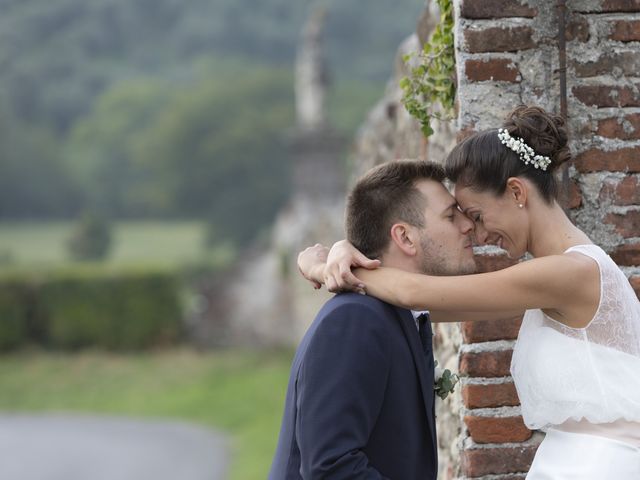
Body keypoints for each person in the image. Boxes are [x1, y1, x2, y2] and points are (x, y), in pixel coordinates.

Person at [298, 106, 640, 479]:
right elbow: (422, 305)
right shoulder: (552, 279)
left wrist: (330, 265)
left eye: (476, 215)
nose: (476, 233)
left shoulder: (571, 272)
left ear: (516, 192)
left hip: (605, 465)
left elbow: (415, 293)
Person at [269, 160, 478, 479]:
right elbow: (331, 467)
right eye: (451, 215)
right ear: (405, 237)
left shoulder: (396, 314)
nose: (468, 225)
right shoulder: (355, 320)